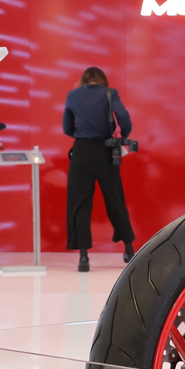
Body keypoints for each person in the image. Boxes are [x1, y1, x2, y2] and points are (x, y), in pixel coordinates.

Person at [62, 67, 136, 272]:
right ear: (102, 79)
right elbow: (124, 116)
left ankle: (83, 257)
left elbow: (67, 127)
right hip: (106, 151)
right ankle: (129, 250)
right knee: (115, 199)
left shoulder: (73, 95)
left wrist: (81, 134)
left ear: (83, 79)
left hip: (81, 152)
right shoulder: (110, 93)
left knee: (80, 203)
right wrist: (124, 134)